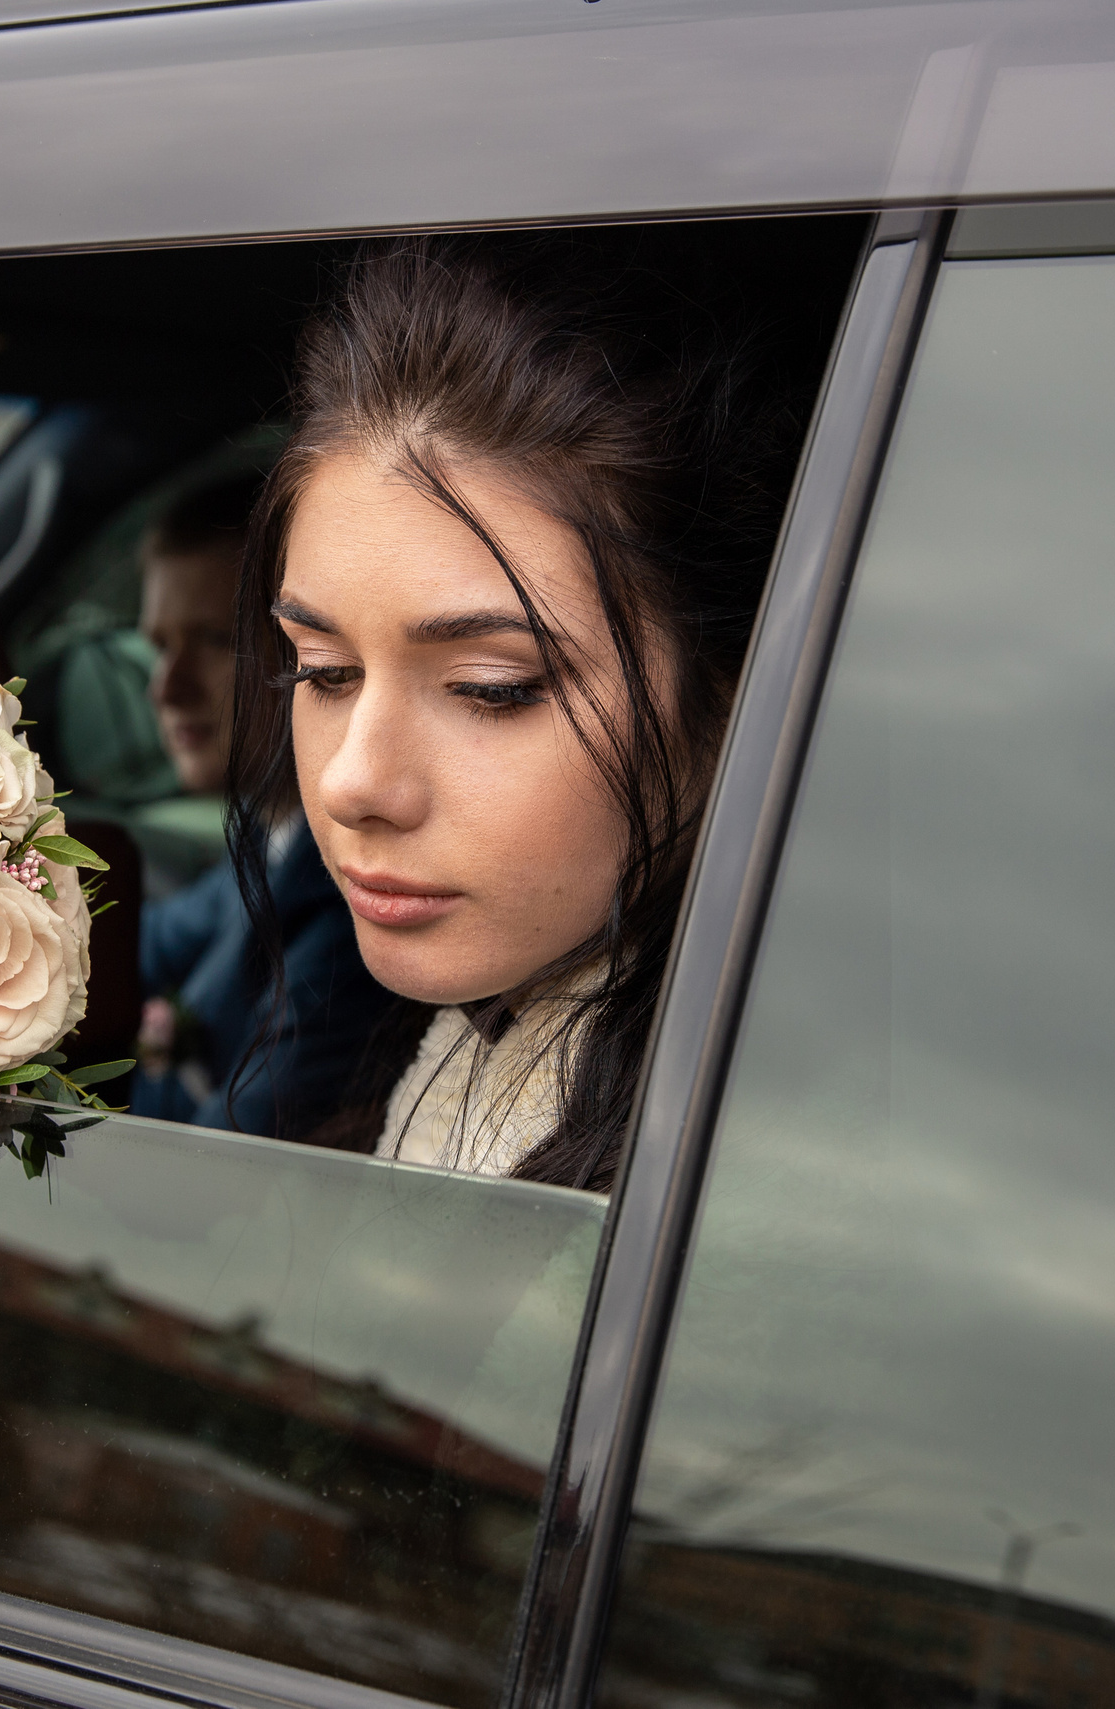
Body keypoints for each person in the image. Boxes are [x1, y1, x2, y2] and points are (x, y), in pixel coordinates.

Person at [227, 234, 816, 1190]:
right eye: (324, 671)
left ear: (735, 690)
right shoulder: (469, 1049)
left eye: (490, 689)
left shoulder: (765, 1188)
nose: (352, 782)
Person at [131, 472, 387, 1137]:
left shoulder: (353, 919)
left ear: (319, 655)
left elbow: (215, 1177)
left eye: (213, 640)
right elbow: (147, 941)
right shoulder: (269, 833)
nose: (168, 687)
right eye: (160, 646)